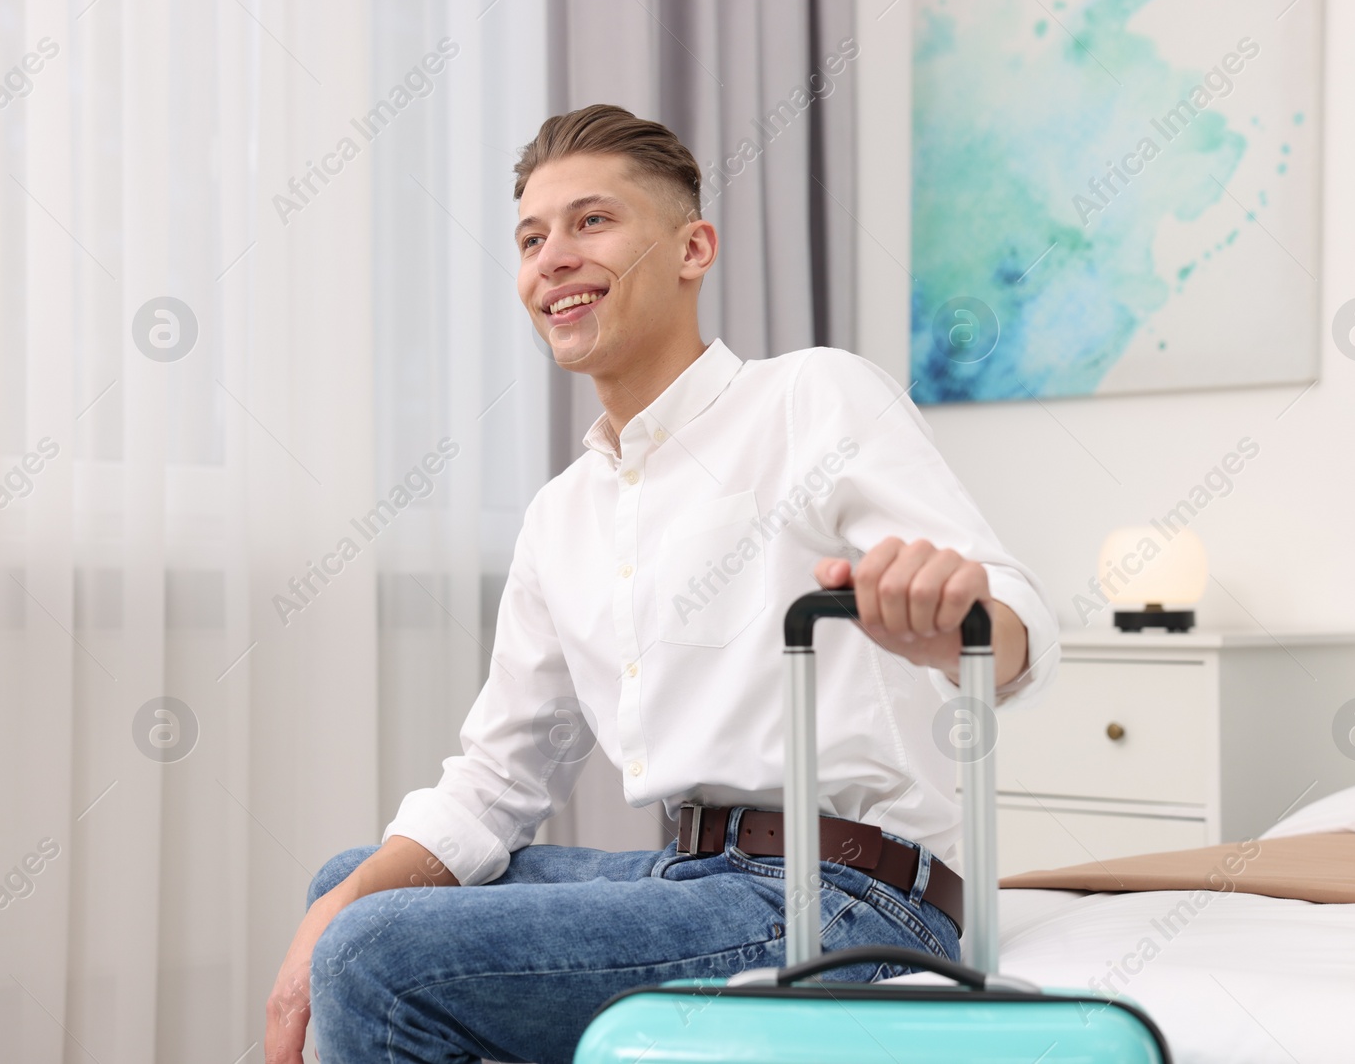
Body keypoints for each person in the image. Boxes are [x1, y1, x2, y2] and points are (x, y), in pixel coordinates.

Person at [264, 103, 1059, 1064]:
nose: (552, 255)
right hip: (697, 878)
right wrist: (349, 903)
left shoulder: (813, 397)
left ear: (693, 249)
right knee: (354, 886)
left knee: (377, 949)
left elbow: (1011, 621)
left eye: (591, 221)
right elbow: (498, 776)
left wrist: (954, 624)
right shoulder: (562, 515)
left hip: (858, 904)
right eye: (530, 237)